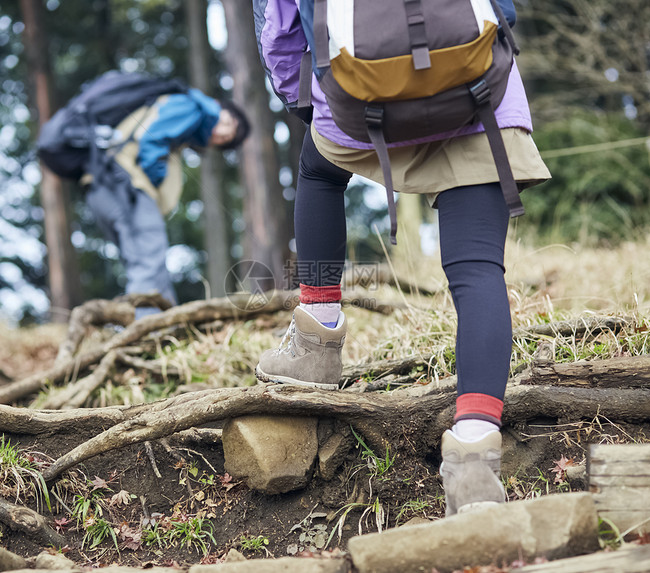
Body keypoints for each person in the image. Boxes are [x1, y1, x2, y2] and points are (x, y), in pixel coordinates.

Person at [252, 0, 551, 515]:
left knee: (318, 171)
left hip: (362, 101)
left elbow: (280, 29)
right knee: (477, 269)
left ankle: (316, 337)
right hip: (476, 95)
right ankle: (476, 458)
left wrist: (310, 104)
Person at [77, 85, 249, 318]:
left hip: (105, 182)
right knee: (149, 259)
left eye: (225, 139)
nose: (221, 133)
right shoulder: (195, 108)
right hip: (129, 183)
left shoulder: (185, 117)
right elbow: (152, 139)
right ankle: (146, 332)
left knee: (144, 261)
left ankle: (167, 325)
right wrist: (155, 182)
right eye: (228, 123)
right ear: (220, 107)